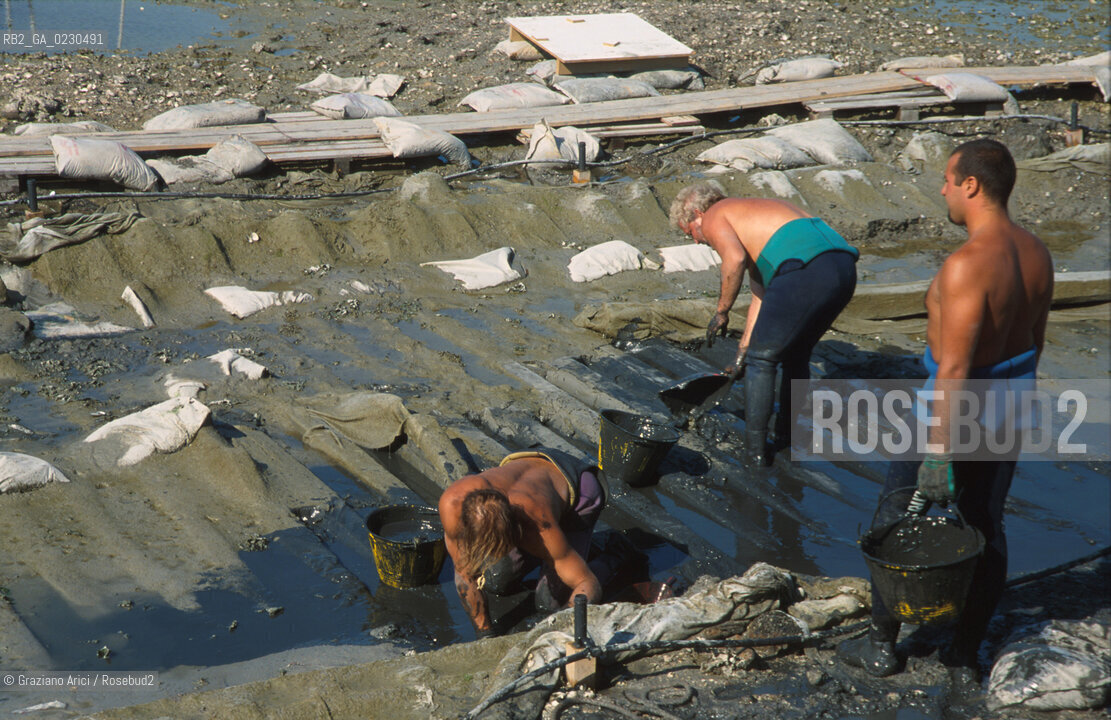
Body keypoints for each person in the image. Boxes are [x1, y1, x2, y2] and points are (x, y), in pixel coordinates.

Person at [837, 139, 1053, 689]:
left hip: (952, 417)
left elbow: (954, 369)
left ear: (972, 186)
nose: (943, 190)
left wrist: (936, 454)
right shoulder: (1036, 253)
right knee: (985, 528)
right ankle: (963, 651)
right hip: (1007, 411)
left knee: (895, 520)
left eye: (948, 180)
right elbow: (1037, 343)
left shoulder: (966, 266)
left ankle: (881, 643)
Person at [669, 181, 858, 465]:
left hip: (805, 268)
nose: (697, 240)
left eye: (691, 232)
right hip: (841, 268)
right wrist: (741, 352)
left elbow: (733, 261)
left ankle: (754, 453)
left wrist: (722, 311)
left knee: (763, 361)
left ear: (697, 213)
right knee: (795, 354)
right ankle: (786, 437)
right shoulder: (754, 217)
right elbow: (761, 296)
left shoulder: (715, 214)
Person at [438, 447, 607, 638]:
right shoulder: (452, 503)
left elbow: (586, 582)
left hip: (580, 491)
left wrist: (565, 632)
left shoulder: (537, 526)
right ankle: (548, 555)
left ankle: (613, 553)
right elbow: (464, 572)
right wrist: (485, 635)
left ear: (515, 532)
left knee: (548, 603)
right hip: (529, 464)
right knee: (496, 581)